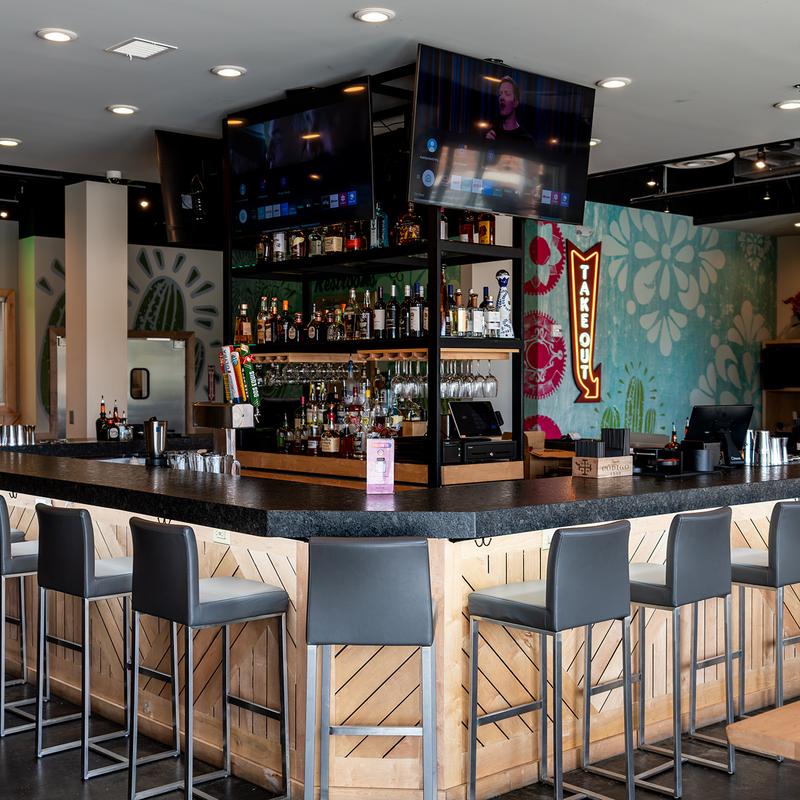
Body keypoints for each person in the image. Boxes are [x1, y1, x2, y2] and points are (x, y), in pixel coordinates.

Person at [485, 76, 532, 142]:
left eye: (507, 94)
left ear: (515, 103)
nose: (501, 98)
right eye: (500, 94)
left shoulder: (526, 140)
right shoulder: (492, 131)